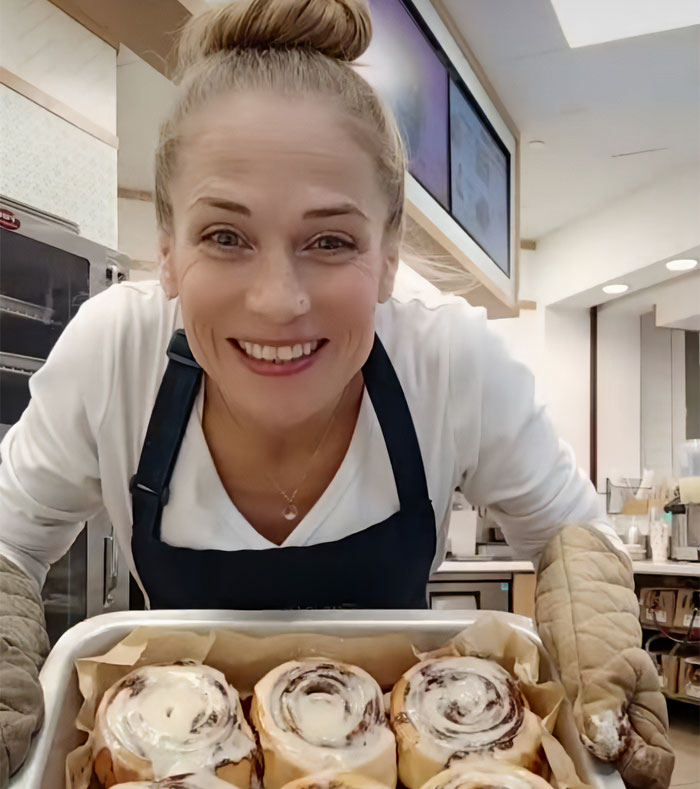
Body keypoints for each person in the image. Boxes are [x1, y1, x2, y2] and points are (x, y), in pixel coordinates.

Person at [0, 1, 673, 786]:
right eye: (225, 236)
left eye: (331, 241)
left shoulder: (448, 360)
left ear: (388, 257)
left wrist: (598, 658)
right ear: (169, 251)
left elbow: (572, 540)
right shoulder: (116, 354)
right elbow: (9, 539)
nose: (278, 300)